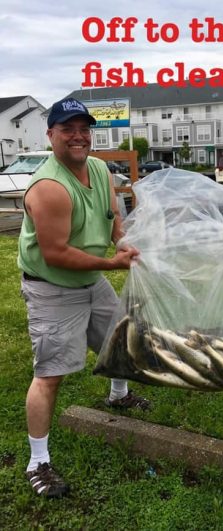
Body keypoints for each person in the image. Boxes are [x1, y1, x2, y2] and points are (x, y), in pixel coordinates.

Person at [18, 97, 151, 498]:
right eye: (67, 129)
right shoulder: (49, 188)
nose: (78, 136)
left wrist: (125, 244)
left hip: (91, 277)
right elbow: (56, 252)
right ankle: (37, 461)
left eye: (83, 129)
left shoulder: (98, 169)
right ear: (51, 135)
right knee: (51, 373)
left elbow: (113, 221)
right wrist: (113, 265)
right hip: (53, 286)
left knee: (117, 337)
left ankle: (118, 396)